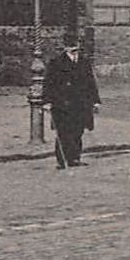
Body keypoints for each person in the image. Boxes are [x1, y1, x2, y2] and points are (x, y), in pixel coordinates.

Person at [44, 35, 100, 169]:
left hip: (80, 103)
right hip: (62, 104)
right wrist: (46, 101)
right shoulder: (56, 62)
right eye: (72, 48)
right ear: (65, 48)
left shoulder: (84, 62)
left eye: (77, 47)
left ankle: (75, 158)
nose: (75, 50)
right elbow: (49, 83)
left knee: (78, 131)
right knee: (63, 132)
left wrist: (95, 101)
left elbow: (91, 82)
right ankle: (62, 160)